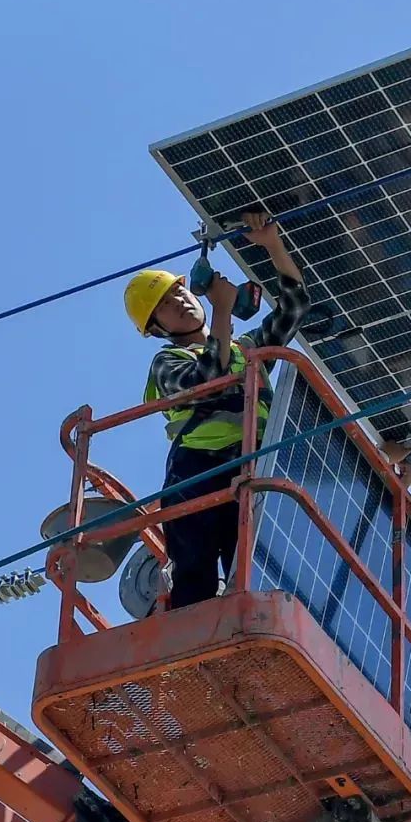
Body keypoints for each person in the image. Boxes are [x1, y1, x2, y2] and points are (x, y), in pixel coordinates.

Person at [123, 210, 309, 610]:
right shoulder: (167, 361)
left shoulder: (247, 348)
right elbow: (208, 377)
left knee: (257, 568)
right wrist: (222, 311)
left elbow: (293, 308)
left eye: (180, 293)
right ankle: (193, 641)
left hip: (253, 463)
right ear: (156, 328)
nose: (182, 302)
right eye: (167, 305)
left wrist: (273, 244)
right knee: (197, 578)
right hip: (198, 471)